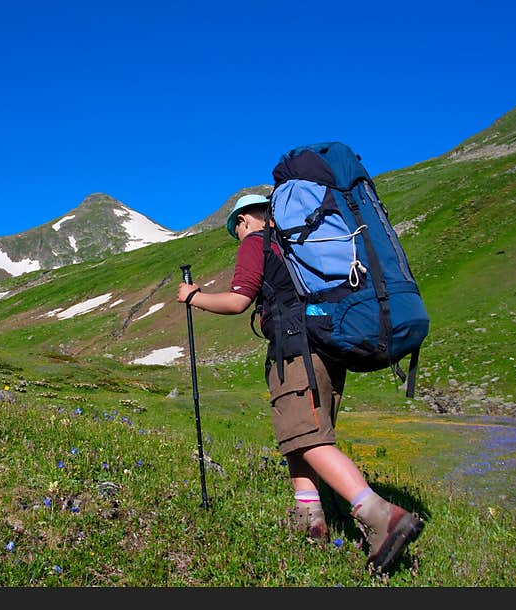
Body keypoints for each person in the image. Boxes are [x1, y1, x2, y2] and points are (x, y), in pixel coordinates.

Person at [176, 193, 424, 574]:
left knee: (308, 438)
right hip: (328, 347)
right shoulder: (297, 246)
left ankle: (381, 516)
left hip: (297, 351)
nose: (238, 234)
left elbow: (238, 300)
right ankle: (311, 520)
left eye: (236, 227)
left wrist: (194, 297)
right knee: (298, 438)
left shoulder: (256, 243)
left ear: (245, 219)